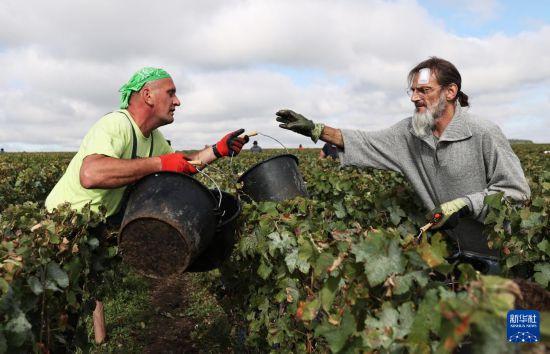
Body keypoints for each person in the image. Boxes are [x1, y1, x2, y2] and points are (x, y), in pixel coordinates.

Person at [45, 67, 249, 343]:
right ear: (148, 95)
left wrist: (217, 150)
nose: (178, 101)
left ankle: (91, 338)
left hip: (95, 227)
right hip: (61, 229)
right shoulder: (116, 125)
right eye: (171, 92)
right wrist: (158, 163)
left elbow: (181, 165)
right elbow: (91, 174)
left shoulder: (154, 139)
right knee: (56, 321)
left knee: (77, 304)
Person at [276, 57, 530, 270]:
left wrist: (465, 204)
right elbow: (365, 142)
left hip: (497, 255)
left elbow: (516, 192)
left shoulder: (483, 132)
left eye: (424, 90)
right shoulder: (410, 133)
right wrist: (315, 129)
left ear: (450, 92)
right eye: (413, 91)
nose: (414, 98)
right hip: (451, 256)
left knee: (504, 328)